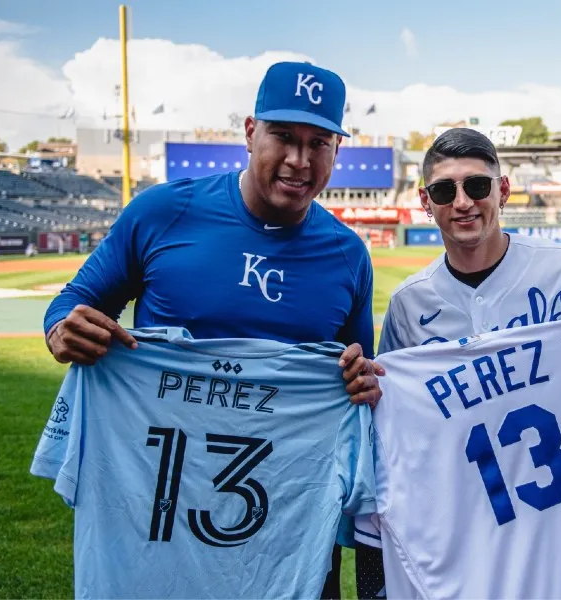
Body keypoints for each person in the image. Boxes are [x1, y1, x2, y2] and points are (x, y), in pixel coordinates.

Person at [43, 61, 382, 599]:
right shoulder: (162, 213)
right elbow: (72, 304)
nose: (299, 159)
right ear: (251, 132)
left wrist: (365, 383)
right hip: (157, 523)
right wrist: (62, 329)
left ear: (337, 151)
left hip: (290, 535)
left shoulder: (347, 255)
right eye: (284, 137)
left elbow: (357, 378)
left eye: (319, 142)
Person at [353, 128, 561, 598]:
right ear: (425, 202)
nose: (463, 202)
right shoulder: (410, 305)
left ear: (503, 190)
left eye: (477, 185)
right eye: (444, 191)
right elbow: (394, 422)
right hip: (472, 517)